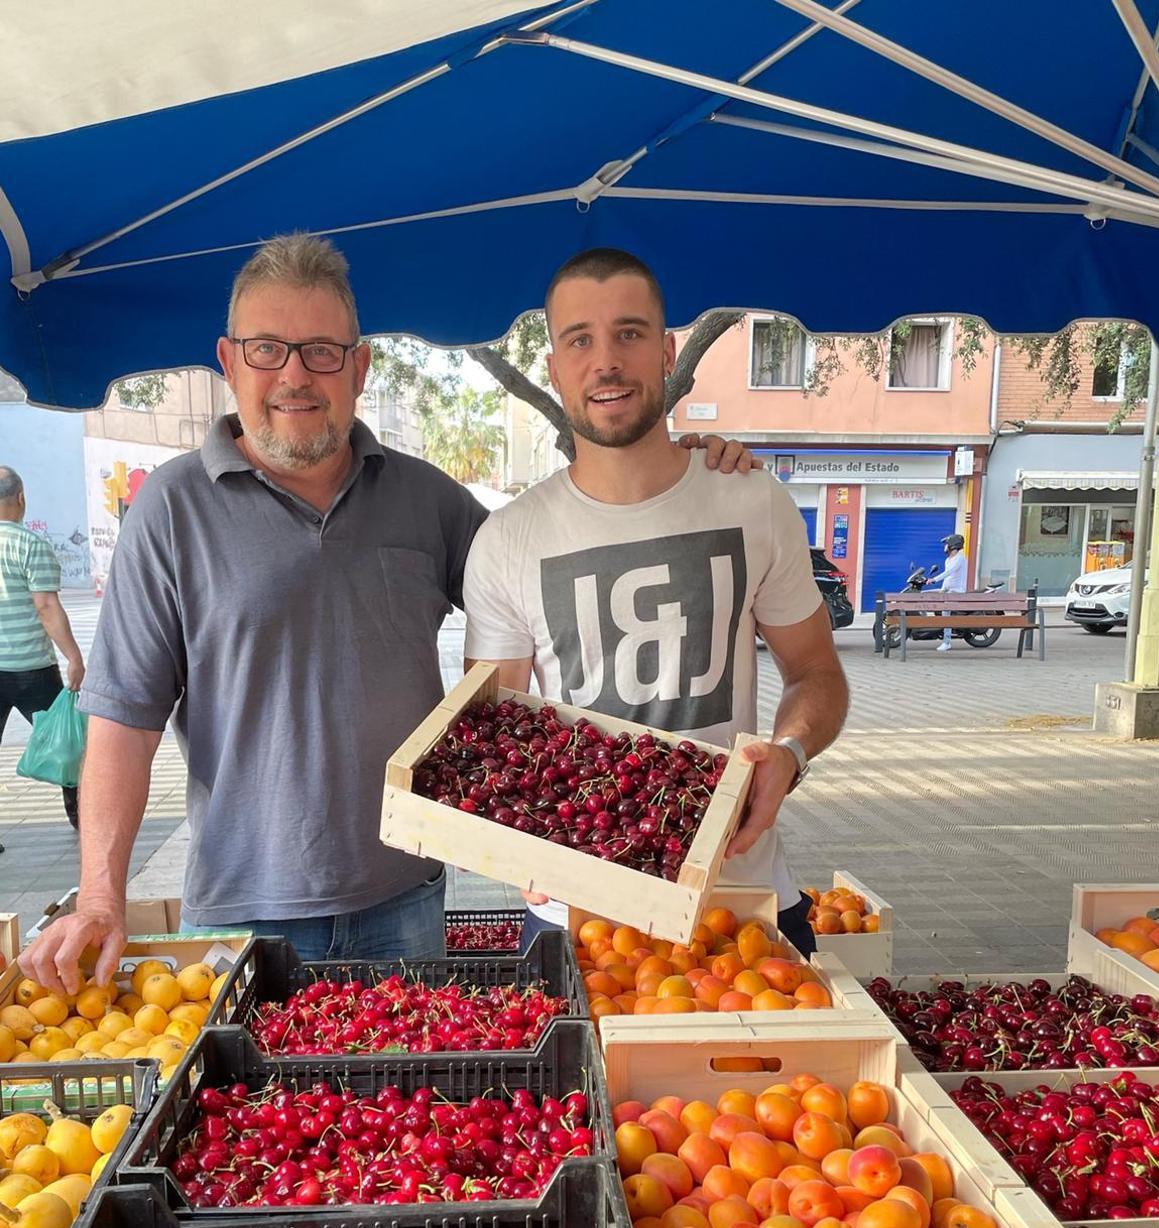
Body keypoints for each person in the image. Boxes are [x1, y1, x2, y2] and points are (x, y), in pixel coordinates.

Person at [20, 233, 753, 992]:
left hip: (406, 897)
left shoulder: (426, 498)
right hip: (245, 911)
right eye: (267, 349)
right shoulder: (169, 510)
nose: (295, 375)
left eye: (322, 351)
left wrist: (672, 470)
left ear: (360, 367)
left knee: (408, 1107)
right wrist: (104, 893)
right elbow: (122, 722)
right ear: (229, 360)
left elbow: (559, 569)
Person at [463, 247, 849, 952]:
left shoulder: (752, 501)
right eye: (580, 339)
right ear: (554, 368)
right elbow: (486, 732)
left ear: (666, 352)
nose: (605, 360)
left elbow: (818, 673)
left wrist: (790, 752)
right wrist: (507, 836)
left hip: (742, 909)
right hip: (576, 920)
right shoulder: (506, 539)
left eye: (630, 333)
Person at [0, 466, 86, 841]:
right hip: (33, 668)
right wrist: (74, 656)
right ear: (21, 498)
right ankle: (83, 817)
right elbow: (46, 607)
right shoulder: (31, 545)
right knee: (70, 744)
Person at [931, 533, 968, 652]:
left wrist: (934, 579)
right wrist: (941, 589)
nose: (945, 547)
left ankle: (946, 642)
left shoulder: (960, 558)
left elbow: (949, 573)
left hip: (956, 592)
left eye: (947, 544)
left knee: (945, 610)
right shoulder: (948, 560)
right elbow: (948, 579)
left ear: (953, 545)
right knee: (926, 594)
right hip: (947, 590)